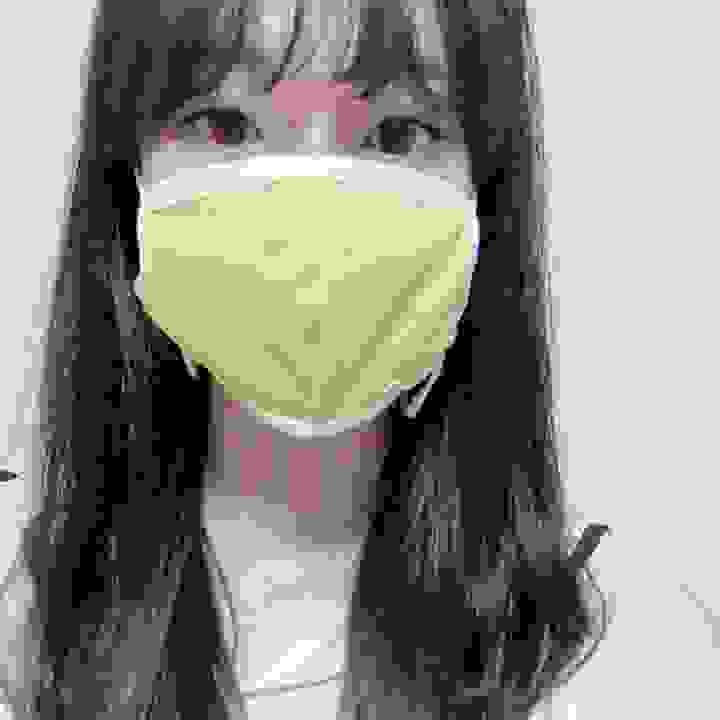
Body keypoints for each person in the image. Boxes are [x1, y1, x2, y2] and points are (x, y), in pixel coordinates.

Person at [0, 1, 610, 718]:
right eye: (226, 125)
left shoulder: (613, 656)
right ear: (128, 176)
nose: (313, 209)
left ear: (486, 188)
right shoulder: (21, 642)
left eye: (396, 133)